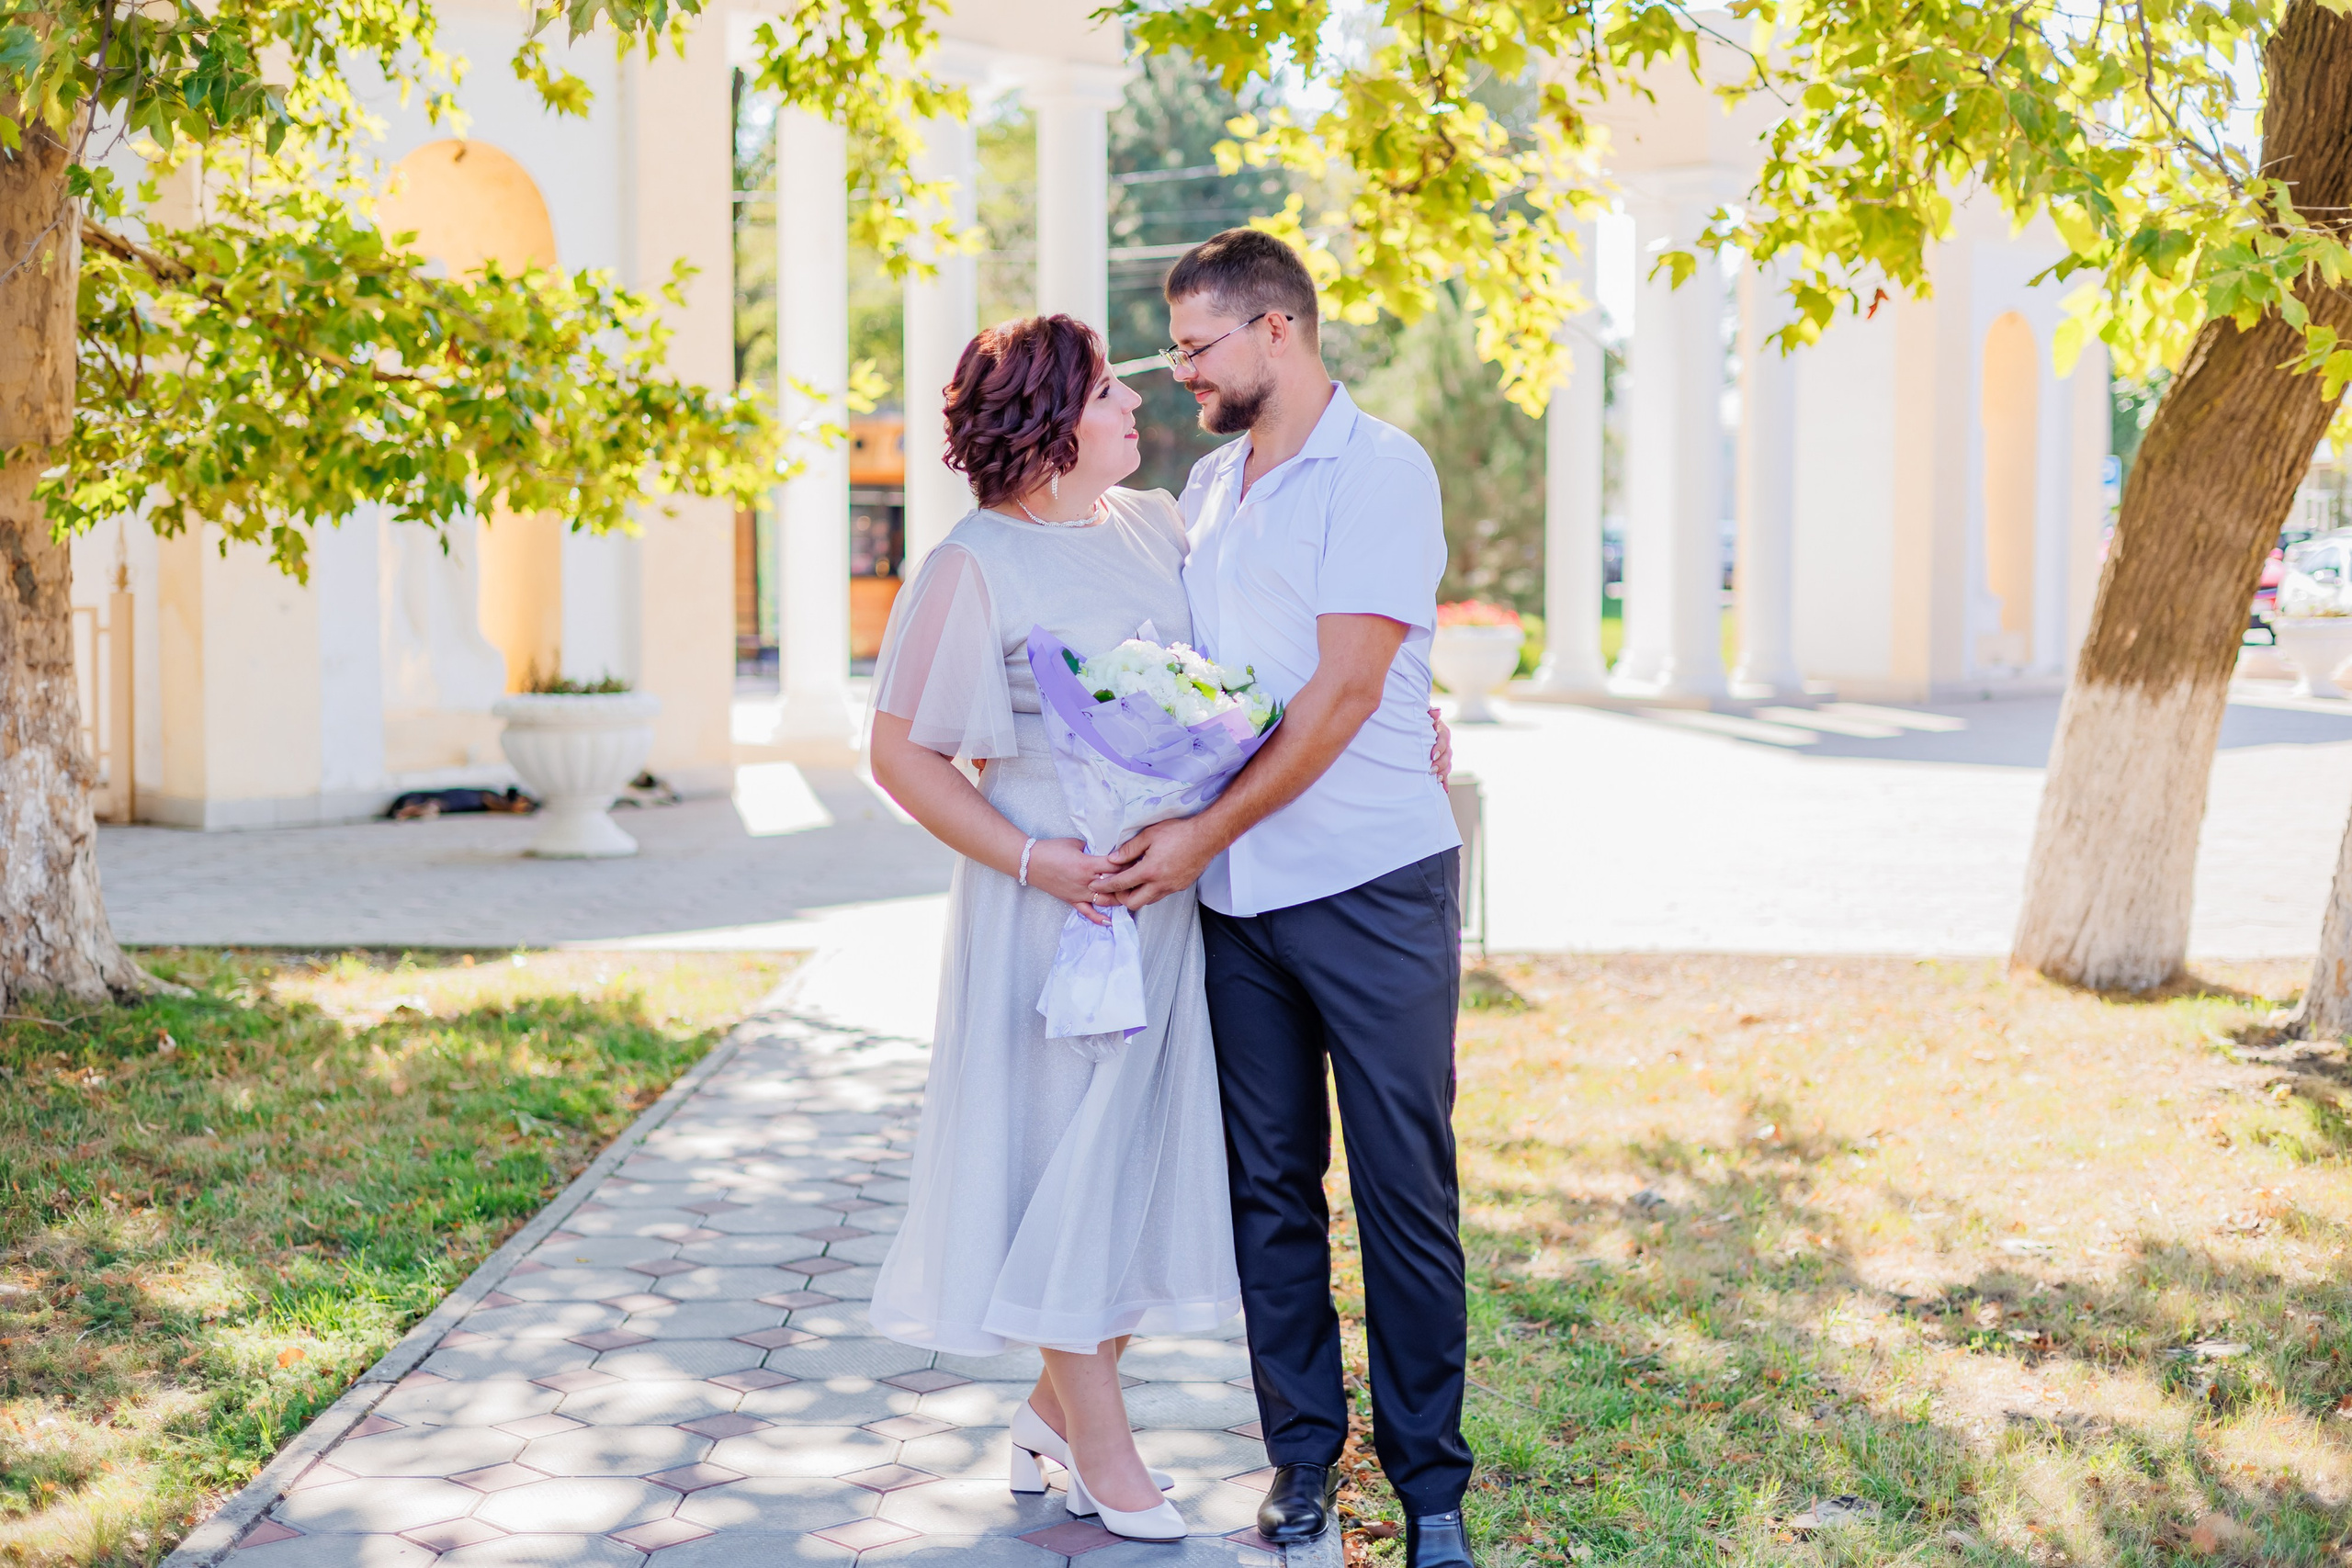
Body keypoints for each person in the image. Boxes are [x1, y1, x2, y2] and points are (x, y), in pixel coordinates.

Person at [1093, 229, 1478, 1568]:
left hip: (1370, 880)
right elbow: (1208, 682)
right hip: (1240, 902)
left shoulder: (1381, 472)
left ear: (1280, 332)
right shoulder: (1206, 487)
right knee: (1271, 1187)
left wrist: (1201, 834)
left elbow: (1345, 694)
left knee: (1403, 1192)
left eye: (1198, 347)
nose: (1184, 372)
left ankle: (1431, 1487)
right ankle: (1301, 1458)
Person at [863, 314, 1230, 1543]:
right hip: (1045, 908)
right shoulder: (975, 566)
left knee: (1125, 1165)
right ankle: (1105, 1451)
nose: (1139, 410)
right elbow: (901, 754)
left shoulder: (1157, 527)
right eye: (1113, 396)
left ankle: (1047, 1410)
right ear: (1054, 422)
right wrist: (1038, 860)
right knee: (1064, 1159)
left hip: (1161, 896)